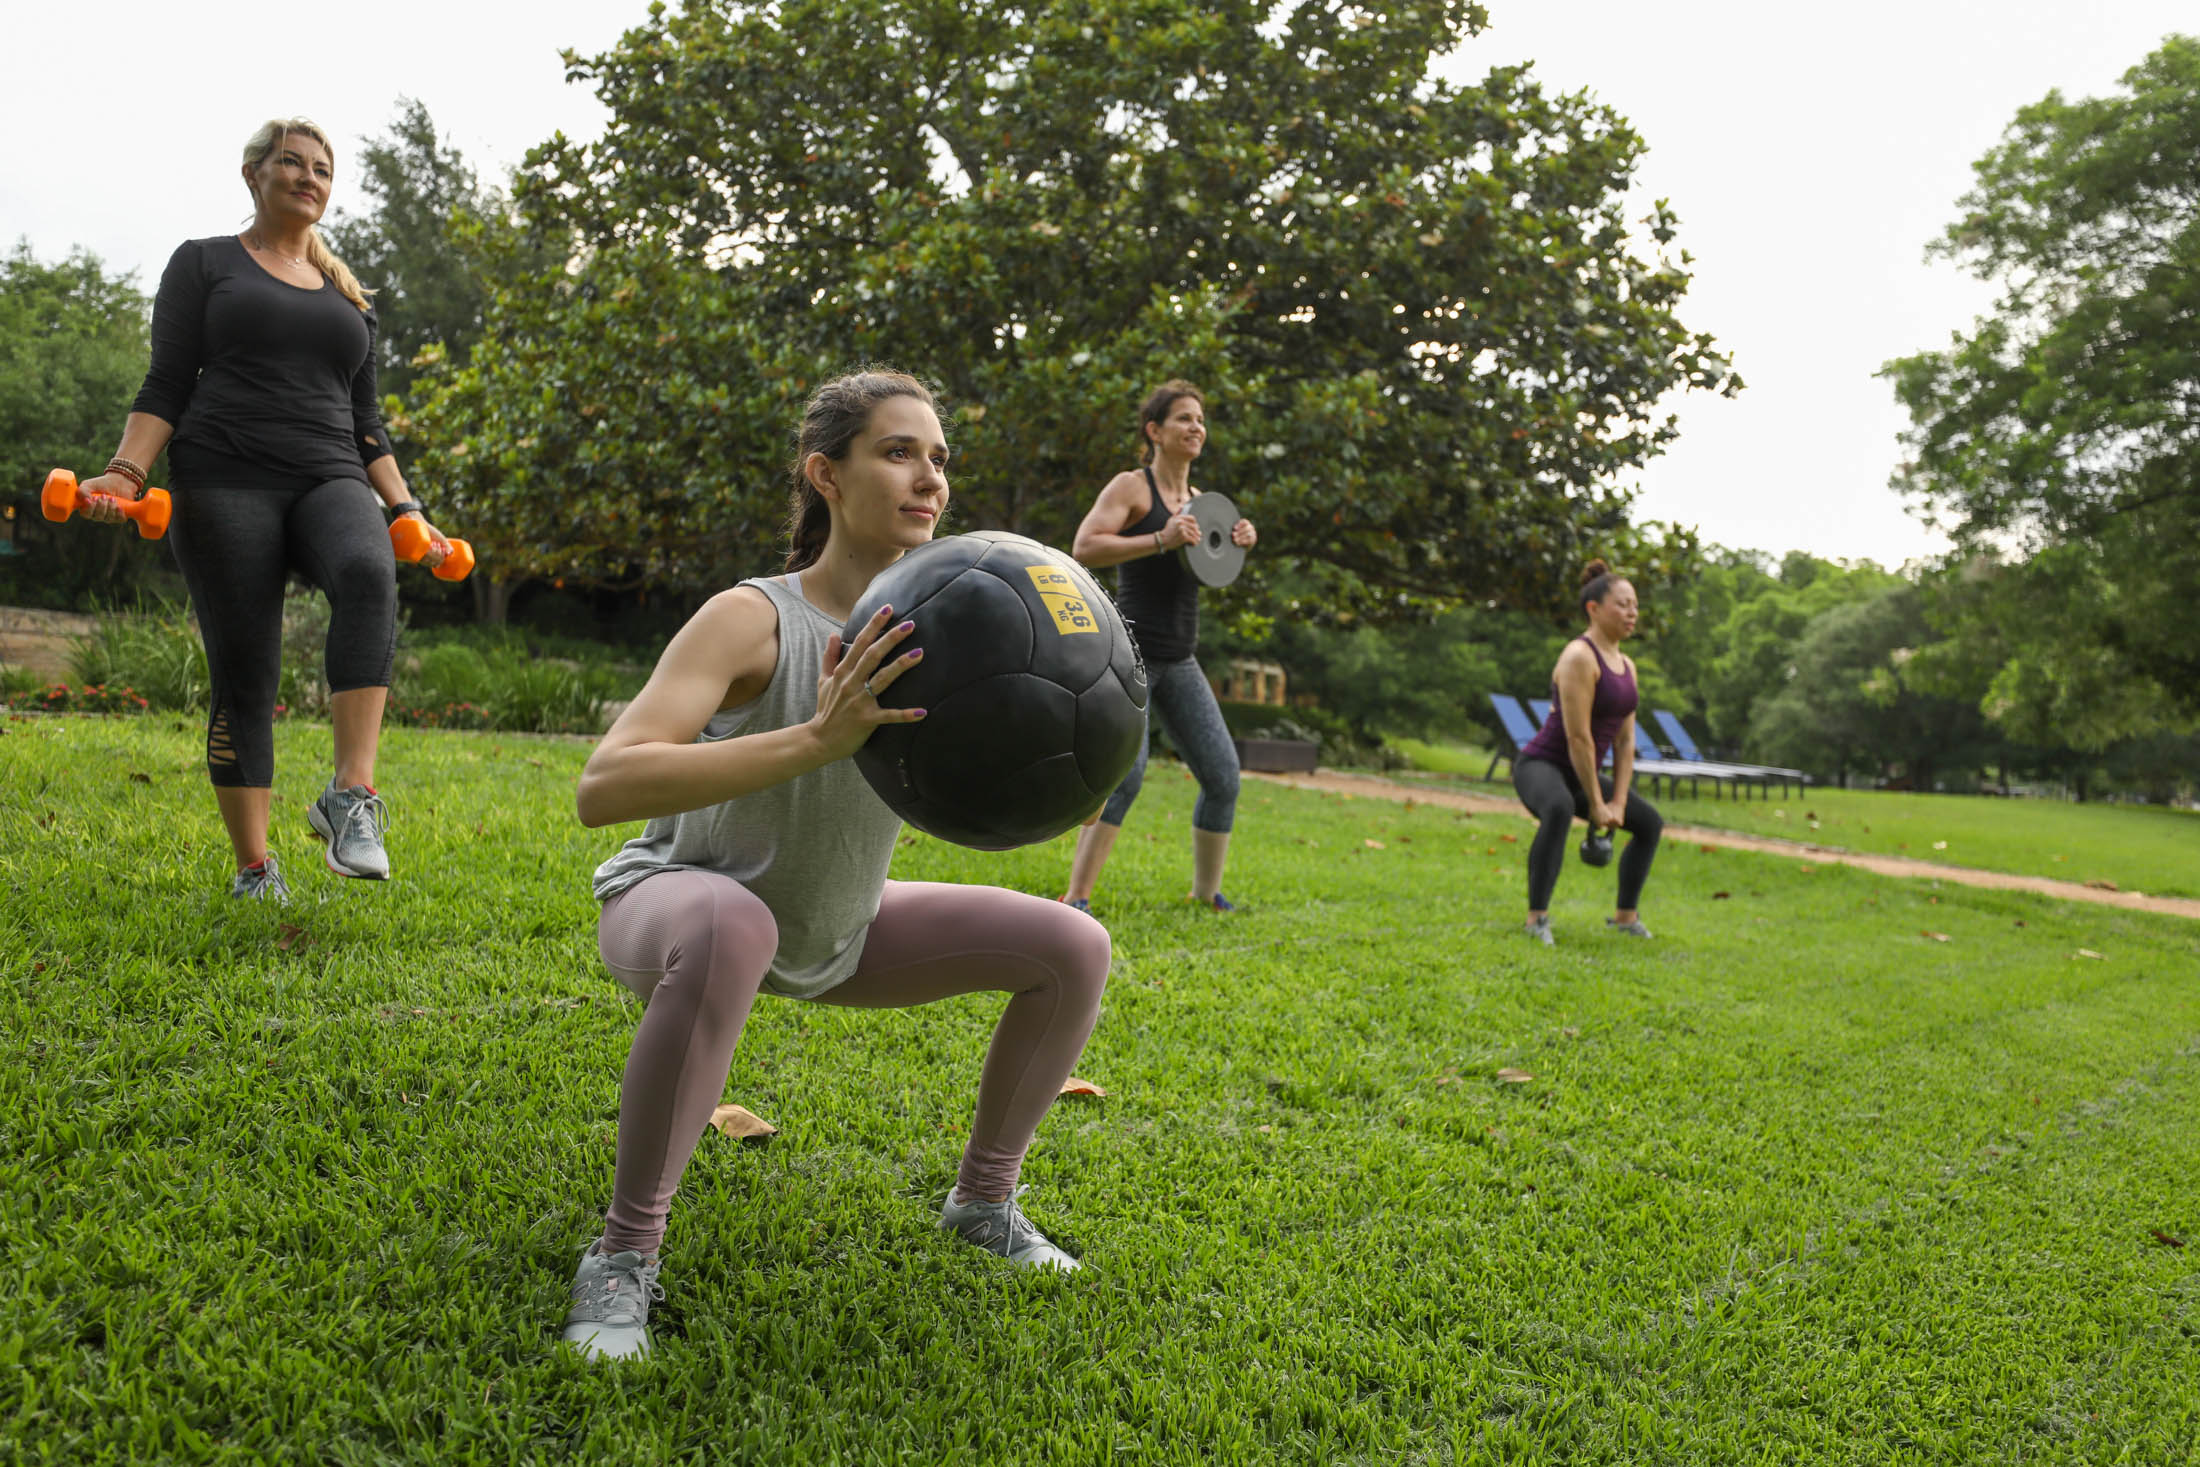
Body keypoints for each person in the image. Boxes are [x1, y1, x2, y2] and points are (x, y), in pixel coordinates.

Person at [562, 369, 1112, 1362]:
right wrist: (816, 739)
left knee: (1073, 945)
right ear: (826, 474)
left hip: (838, 922)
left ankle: (984, 1201)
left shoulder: (946, 633)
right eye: (898, 453)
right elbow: (605, 785)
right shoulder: (753, 618)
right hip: (679, 906)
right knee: (734, 923)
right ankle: (623, 1253)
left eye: (939, 458)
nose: (929, 478)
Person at [77, 118, 453, 902]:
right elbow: (167, 382)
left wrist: (407, 507)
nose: (309, 176)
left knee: (368, 572)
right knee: (246, 670)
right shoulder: (204, 263)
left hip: (330, 473)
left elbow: (368, 424)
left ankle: (350, 795)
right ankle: (255, 868)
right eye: (291, 161)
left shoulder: (351, 298)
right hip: (223, 475)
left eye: (322, 168)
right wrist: (125, 472)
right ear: (254, 174)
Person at [1061, 381, 1257, 913]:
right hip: (1132, 653)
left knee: (1223, 776)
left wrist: (1238, 542)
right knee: (1127, 777)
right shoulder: (1133, 487)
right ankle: (1076, 898)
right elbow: (1084, 547)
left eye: (1201, 420)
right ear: (1155, 431)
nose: (1197, 427)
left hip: (1181, 657)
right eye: (1184, 418)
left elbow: (1211, 567)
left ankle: (1206, 893)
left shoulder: (1204, 503)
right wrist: (1159, 539)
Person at [1512, 559, 1664, 944]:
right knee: (1559, 807)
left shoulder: (1627, 666)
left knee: (1649, 823)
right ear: (1593, 609)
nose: (1632, 613)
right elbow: (1578, 737)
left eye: (1635, 605)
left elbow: (1625, 741)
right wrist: (1597, 803)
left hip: (1581, 772)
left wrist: (1619, 802)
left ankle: (1626, 917)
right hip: (1543, 764)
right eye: (1622, 605)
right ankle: (1536, 919)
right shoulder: (1579, 657)